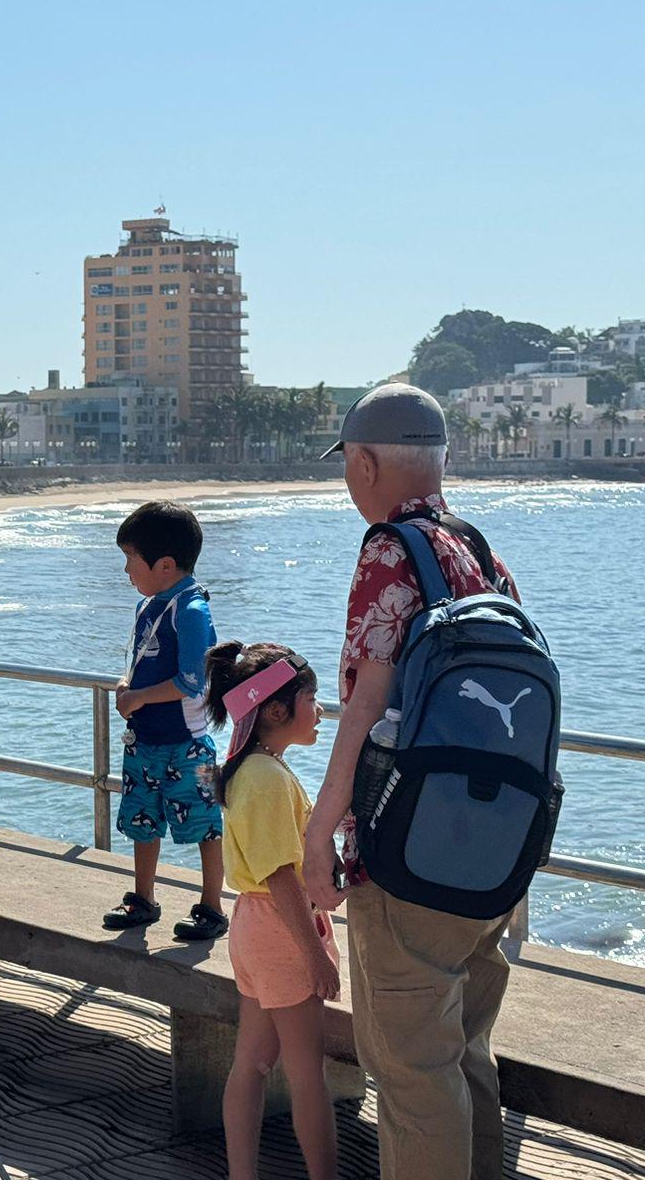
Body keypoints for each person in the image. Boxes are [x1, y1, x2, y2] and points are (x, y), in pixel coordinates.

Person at [303, 383, 520, 1180]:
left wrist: (319, 832)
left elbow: (364, 709)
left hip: (411, 856)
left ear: (363, 462)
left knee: (410, 1074)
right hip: (490, 852)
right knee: (464, 1056)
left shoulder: (388, 550)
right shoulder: (480, 550)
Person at [206, 641, 338, 1180]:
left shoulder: (258, 769)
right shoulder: (264, 777)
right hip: (282, 930)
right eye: (313, 697)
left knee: (254, 1062)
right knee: (308, 1072)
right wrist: (315, 953)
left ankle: (243, 1174)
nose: (321, 709)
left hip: (254, 927)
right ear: (277, 709)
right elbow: (280, 875)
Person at [102, 500, 227, 940]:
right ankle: (143, 897)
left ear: (166, 565)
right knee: (142, 820)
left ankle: (212, 906)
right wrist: (126, 685)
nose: (126, 572)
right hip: (145, 739)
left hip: (189, 741)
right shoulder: (150, 605)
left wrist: (137, 697)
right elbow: (140, 662)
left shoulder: (191, 610)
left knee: (206, 826)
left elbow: (192, 681)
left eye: (130, 560)